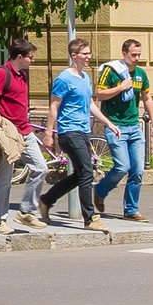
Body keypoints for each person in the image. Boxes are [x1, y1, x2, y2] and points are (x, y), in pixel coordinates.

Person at [38, 37, 109, 230]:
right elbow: (54, 106)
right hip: (69, 132)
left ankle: (46, 200)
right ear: (74, 55)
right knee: (87, 172)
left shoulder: (86, 78)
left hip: (84, 131)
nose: (89, 57)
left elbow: (91, 105)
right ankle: (90, 218)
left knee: (80, 175)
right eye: (85, 54)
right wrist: (49, 133)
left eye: (89, 53)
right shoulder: (64, 79)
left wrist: (108, 122)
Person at [0, 36, 50, 232]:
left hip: (25, 132)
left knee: (41, 168)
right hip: (8, 134)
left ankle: (26, 212)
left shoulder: (22, 75)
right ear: (20, 57)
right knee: (4, 179)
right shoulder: (2, 74)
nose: (33, 60)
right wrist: (2, 125)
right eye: (30, 57)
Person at [94, 37, 153, 221]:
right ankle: (100, 190)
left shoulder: (140, 74)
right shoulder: (111, 71)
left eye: (138, 55)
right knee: (122, 166)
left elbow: (147, 97)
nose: (136, 58)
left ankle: (131, 209)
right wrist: (120, 88)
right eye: (133, 55)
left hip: (134, 127)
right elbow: (100, 94)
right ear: (124, 54)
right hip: (115, 126)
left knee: (137, 170)